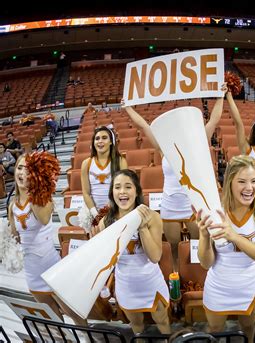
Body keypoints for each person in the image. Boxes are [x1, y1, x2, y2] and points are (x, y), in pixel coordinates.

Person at [123, 84, 226, 269]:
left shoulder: (197, 142)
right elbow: (144, 125)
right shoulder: (164, 149)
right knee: (174, 248)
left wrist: (221, 95)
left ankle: (199, 276)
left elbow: (214, 120)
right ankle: (178, 278)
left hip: (194, 203)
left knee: (198, 244)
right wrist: (128, 108)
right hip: (170, 204)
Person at [197, 155, 255, 341]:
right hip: (218, 285)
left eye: (254, 181)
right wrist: (204, 236)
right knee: (215, 329)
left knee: (248, 329)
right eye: (242, 181)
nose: (249, 188)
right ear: (230, 183)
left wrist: (234, 236)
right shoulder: (215, 212)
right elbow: (206, 263)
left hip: (249, 284)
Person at [8, 154, 87, 326]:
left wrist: (36, 186)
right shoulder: (12, 206)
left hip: (51, 266)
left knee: (73, 312)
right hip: (32, 271)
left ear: (36, 173)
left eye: (29, 169)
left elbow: (43, 219)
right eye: (20, 168)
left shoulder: (43, 200)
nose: (22, 173)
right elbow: (15, 238)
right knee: (52, 317)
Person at [94, 169, 170, 335]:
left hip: (151, 282)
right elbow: (106, 261)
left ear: (136, 191)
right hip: (126, 285)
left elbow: (155, 256)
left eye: (128, 187)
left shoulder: (152, 217)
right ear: (112, 192)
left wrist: (142, 227)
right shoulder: (105, 223)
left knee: (163, 321)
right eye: (117, 187)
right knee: (136, 326)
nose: (122, 191)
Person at [81, 126, 127, 218]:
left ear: (111, 142)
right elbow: (86, 193)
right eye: (97, 138)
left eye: (104, 138)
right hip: (93, 212)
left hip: (116, 209)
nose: (100, 141)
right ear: (93, 143)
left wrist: (109, 211)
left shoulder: (120, 161)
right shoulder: (86, 163)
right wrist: (95, 214)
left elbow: (123, 189)